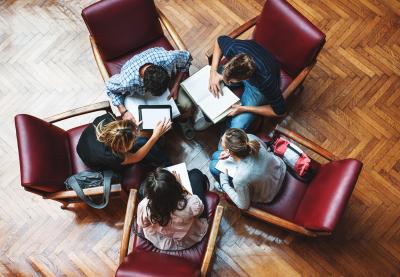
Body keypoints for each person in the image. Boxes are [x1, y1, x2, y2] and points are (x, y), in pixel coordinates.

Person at [105, 47, 196, 139]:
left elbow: (187, 57)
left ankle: (182, 121)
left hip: (168, 85)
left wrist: (176, 84)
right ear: (143, 84)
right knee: (141, 124)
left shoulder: (168, 59)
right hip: (137, 96)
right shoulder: (127, 81)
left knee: (187, 105)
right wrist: (123, 111)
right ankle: (157, 136)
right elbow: (109, 87)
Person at [206, 35, 287, 131]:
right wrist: (213, 72)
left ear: (245, 78)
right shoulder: (234, 48)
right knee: (210, 86)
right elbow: (219, 40)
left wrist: (244, 109)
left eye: (230, 81)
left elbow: (280, 112)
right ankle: (209, 117)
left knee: (237, 125)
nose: (225, 80)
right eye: (225, 75)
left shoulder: (266, 80)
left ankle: (226, 130)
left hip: (257, 88)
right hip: (249, 68)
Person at [209, 128, 286, 210]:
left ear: (229, 151)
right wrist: (231, 155)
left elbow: (244, 206)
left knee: (213, 166)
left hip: (269, 193)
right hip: (280, 168)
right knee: (215, 155)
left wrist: (224, 183)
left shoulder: (240, 179)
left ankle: (223, 188)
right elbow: (264, 146)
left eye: (222, 142)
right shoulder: (250, 138)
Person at [136, 168, 209, 251]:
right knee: (195, 174)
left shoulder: (144, 206)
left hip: (163, 240)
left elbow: (142, 224)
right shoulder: (190, 203)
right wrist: (183, 188)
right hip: (188, 239)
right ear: (175, 187)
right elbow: (200, 211)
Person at [77, 113, 171, 172]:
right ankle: (166, 164)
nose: (137, 134)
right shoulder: (113, 156)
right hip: (94, 161)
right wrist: (154, 137)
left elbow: (120, 130)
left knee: (143, 142)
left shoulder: (106, 119)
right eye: (133, 140)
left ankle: (164, 161)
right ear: (122, 149)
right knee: (142, 142)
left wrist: (131, 128)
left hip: (84, 144)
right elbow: (136, 157)